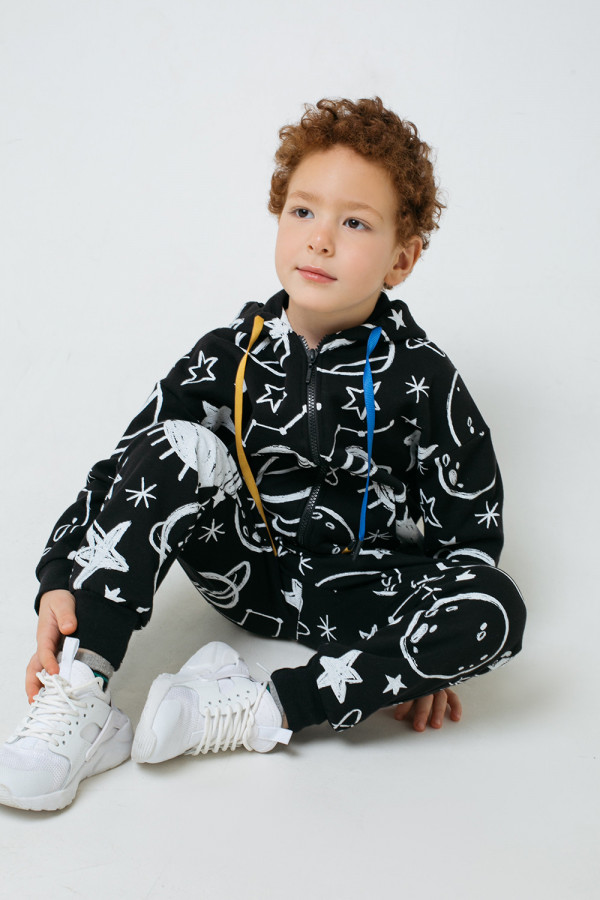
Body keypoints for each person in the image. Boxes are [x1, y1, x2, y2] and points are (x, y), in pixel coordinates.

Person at [0, 97, 526, 812]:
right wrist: (60, 572)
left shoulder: (425, 379)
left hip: (365, 600)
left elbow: (470, 534)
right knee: (176, 442)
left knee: (498, 604)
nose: (320, 240)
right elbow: (127, 464)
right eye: (304, 211)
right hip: (246, 570)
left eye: (355, 223)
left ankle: (259, 705)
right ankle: (84, 688)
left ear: (401, 259)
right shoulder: (228, 355)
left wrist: (423, 657)